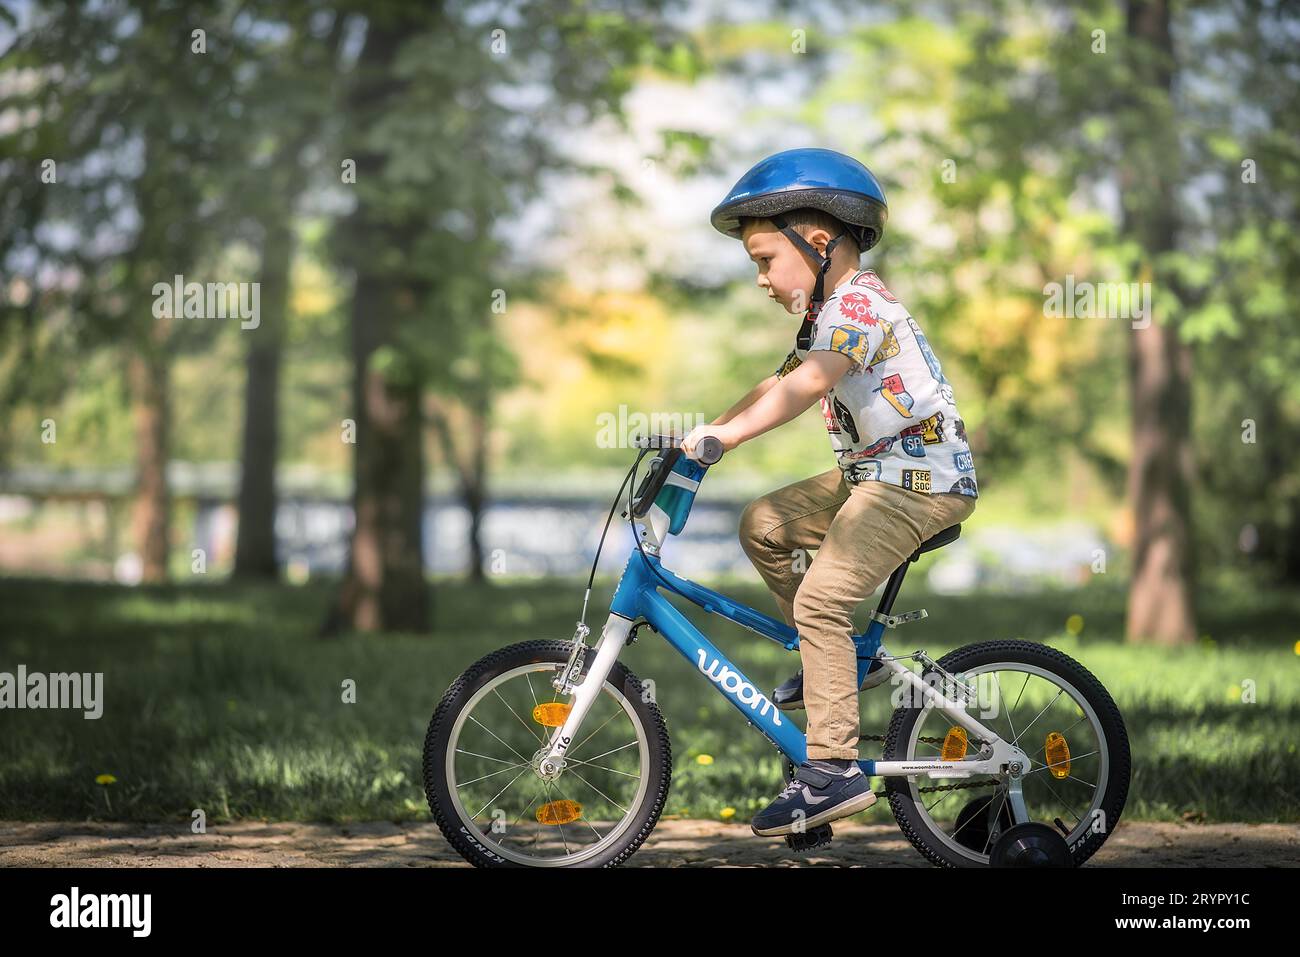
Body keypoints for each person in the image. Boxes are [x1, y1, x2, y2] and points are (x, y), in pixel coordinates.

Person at [680, 147, 979, 837]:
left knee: (821, 598)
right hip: (872, 475)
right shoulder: (824, 317)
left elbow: (809, 384)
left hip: (919, 480)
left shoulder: (861, 305)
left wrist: (730, 440)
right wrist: (702, 432)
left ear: (818, 244)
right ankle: (842, 664)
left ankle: (833, 771)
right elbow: (774, 383)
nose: (759, 278)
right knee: (764, 523)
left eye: (763, 260)